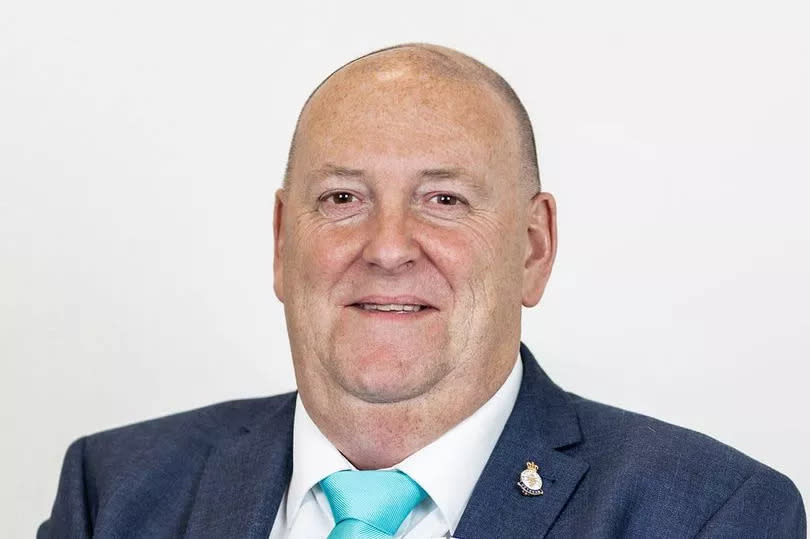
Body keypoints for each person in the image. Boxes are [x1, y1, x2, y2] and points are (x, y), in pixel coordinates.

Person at [39, 43, 805, 539]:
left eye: (444, 200)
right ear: (281, 241)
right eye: (343, 198)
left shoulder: (712, 514)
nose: (389, 248)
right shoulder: (113, 494)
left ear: (533, 249)